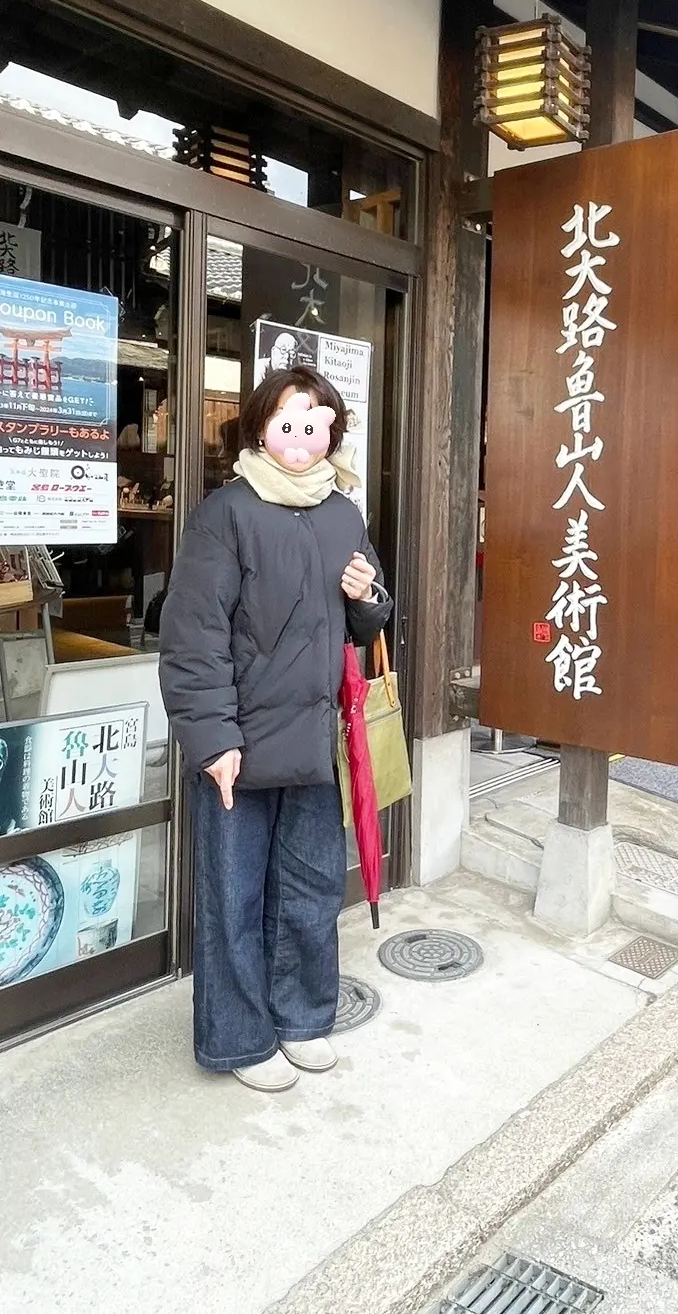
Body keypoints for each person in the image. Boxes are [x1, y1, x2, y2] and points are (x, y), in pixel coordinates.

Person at [159, 367, 392, 1092]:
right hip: (242, 744)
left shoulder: (342, 511)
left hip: (315, 741)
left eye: (315, 422)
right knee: (233, 897)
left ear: (332, 431)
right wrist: (213, 740)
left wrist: (370, 597)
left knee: (312, 888)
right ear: (262, 428)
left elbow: (368, 614)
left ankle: (302, 1017)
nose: (301, 436)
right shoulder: (224, 513)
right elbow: (193, 636)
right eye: (288, 422)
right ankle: (237, 1037)